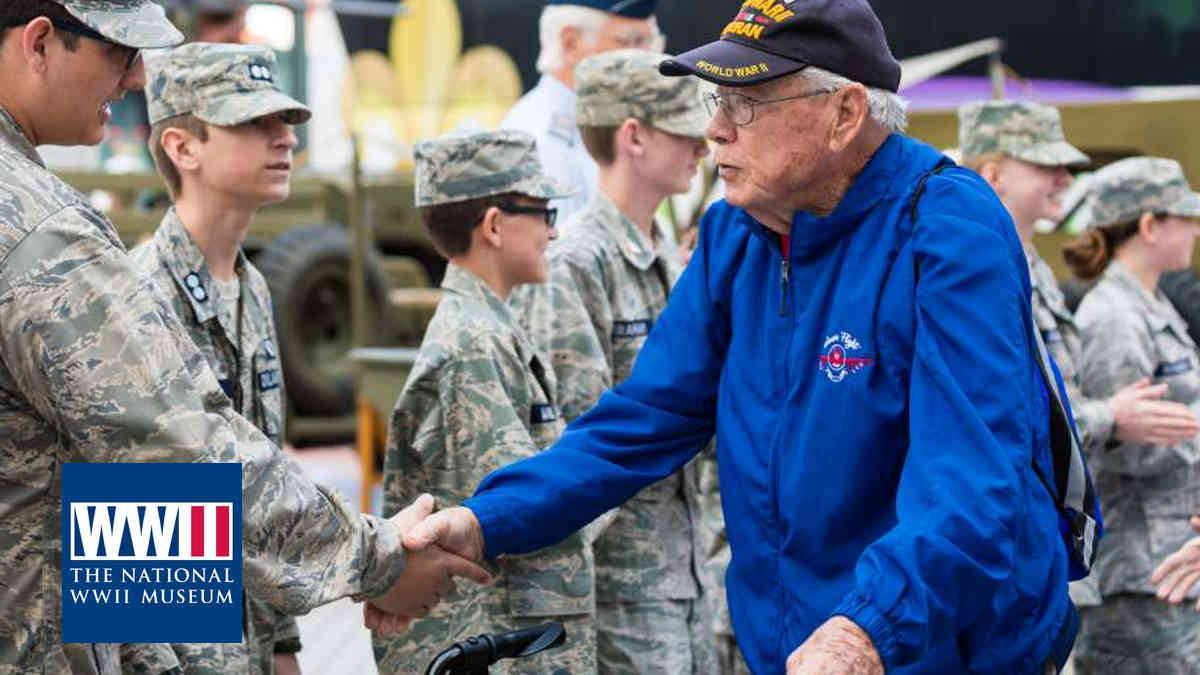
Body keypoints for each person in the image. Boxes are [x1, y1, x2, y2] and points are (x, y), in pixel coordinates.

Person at [404, 1, 1086, 673]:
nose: (715, 131)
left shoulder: (946, 225)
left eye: (746, 103)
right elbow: (646, 418)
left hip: (932, 645)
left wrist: (866, 630)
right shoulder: (741, 232)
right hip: (801, 646)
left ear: (845, 114)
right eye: (714, 101)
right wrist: (485, 518)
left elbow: (969, 478)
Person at [0, 2, 489, 672]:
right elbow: (171, 462)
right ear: (39, 43)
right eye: (118, 52)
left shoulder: (253, 291)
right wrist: (376, 559)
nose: (137, 77)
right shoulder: (47, 235)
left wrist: (282, 646)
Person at [511, 48, 738, 675]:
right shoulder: (576, 264)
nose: (705, 143)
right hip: (621, 591)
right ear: (633, 136)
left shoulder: (669, 255)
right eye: (684, 129)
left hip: (686, 578)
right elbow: (578, 444)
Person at [957, 100, 1200, 614]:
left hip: (1059, 551)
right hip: (1053, 556)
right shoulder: (977, 269)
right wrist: (1112, 417)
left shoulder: (1029, 270)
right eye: (1046, 165)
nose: (1066, 177)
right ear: (995, 174)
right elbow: (1004, 414)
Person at [116, 43, 313, 675]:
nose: (283, 139)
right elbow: (131, 534)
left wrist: (283, 647)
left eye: (284, 123)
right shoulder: (137, 298)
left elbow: (265, 478)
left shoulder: (251, 288)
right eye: (253, 123)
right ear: (183, 147)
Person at [371, 130, 592, 675]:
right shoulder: (472, 344)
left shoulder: (491, 329)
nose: (553, 231)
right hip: (499, 642)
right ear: (494, 225)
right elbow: (529, 505)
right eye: (543, 213)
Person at [1063, 156, 1200, 674]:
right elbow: (1130, 446)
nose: (1194, 230)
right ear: (1149, 226)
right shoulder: (1115, 317)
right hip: (1139, 570)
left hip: (1167, 560)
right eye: (1183, 217)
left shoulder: (1151, 304)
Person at [501, 0, 663, 222]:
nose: (648, 59)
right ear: (571, 44)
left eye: (650, 43)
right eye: (631, 42)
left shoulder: (603, 120)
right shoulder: (540, 141)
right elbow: (557, 252)